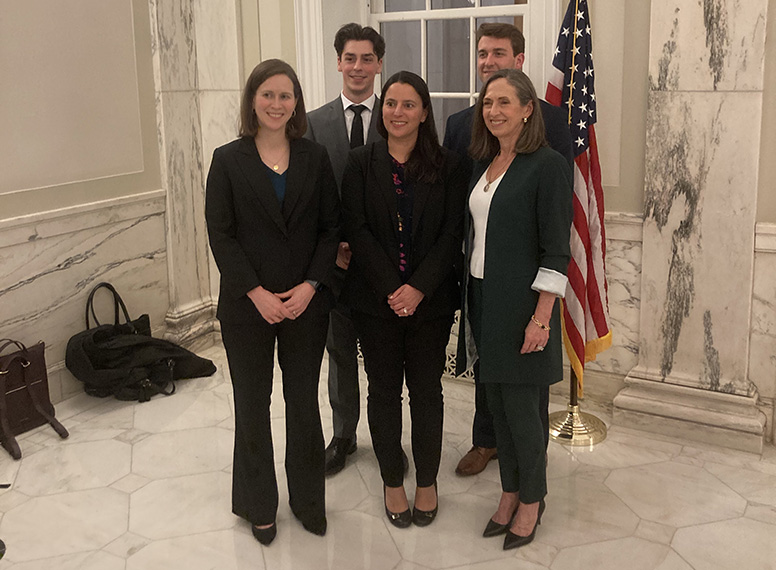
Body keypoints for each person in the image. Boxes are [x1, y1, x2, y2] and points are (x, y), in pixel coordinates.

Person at [205, 59, 340, 545]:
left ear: (296, 103)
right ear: (253, 101)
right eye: (268, 95)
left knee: (303, 403)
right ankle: (259, 503)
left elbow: (330, 230)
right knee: (252, 404)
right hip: (248, 307)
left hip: (306, 304)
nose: (277, 104)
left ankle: (307, 501)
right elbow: (220, 235)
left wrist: (309, 287)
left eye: (286, 96)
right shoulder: (227, 159)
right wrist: (256, 292)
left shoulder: (315, 157)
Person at [341, 71, 468, 528]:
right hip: (374, 303)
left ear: (425, 112)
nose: (398, 112)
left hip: (430, 303)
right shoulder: (359, 162)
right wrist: (391, 290)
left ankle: (427, 481)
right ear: (382, 109)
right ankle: (393, 480)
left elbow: (454, 233)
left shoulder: (450, 164)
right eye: (391, 103)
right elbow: (355, 228)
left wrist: (417, 288)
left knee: (427, 391)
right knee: (382, 391)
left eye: (408, 104)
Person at [445, 22, 573, 477]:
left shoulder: (553, 125)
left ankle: (527, 468)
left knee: (525, 387)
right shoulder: (462, 126)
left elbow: (553, 214)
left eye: (498, 52)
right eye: (481, 53)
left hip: (524, 282)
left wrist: (542, 310)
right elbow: (457, 203)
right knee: (488, 373)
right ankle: (487, 443)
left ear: (518, 59)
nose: (487, 61)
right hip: (480, 281)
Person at [305, 23, 386, 476]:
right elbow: (309, 196)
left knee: (381, 354)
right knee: (339, 352)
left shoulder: (396, 116)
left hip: (382, 264)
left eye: (367, 59)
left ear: (378, 64)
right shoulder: (313, 123)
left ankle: (385, 433)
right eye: (350, 58)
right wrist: (331, 248)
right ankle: (343, 434)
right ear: (338, 61)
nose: (358, 67)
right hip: (332, 263)